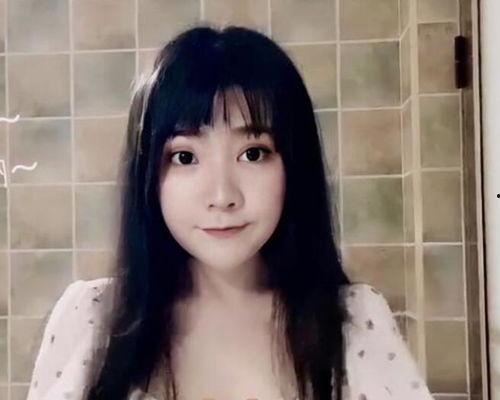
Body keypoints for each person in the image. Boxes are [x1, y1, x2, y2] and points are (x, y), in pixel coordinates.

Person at [26, 25, 435, 400]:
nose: (222, 196)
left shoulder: (353, 324)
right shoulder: (91, 320)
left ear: (295, 165)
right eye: (185, 157)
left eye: (253, 153)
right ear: (148, 174)